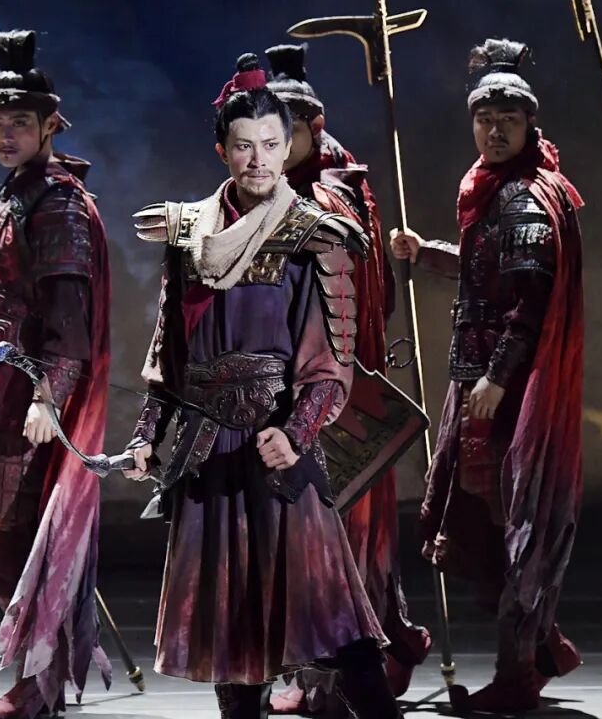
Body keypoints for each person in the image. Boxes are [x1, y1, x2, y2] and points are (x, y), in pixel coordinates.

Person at [124, 52, 400, 719]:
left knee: (334, 617)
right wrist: (146, 435)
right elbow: (170, 351)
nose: (258, 160)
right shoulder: (189, 233)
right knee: (230, 634)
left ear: (288, 146)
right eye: (244, 146)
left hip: (277, 448)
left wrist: (297, 432)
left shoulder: (313, 236)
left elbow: (329, 363)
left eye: (271, 145)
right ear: (223, 150)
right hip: (206, 453)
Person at [390, 38, 584, 713]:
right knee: (482, 525)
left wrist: (498, 377)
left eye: (507, 119)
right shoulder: (493, 191)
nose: (494, 130)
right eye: (484, 118)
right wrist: (427, 253)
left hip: (505, 396)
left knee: (510, 529)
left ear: (530, 124)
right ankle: (542, 652)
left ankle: (519, 673)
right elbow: (484, 275)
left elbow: (529, 303)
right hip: (478, 385)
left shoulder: (525, 197)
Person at [0, 29, 111, 718]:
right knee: (1, 541)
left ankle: (40, 687)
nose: (7, 136)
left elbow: (68, 314)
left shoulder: (58, 203)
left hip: (29, 402)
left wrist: (49, 398)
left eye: (21, 124)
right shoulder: (22, 194)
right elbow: (15, 278)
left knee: (26, 545)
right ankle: (37, 682)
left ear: (49, 126)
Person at [263, 42, 429, 715]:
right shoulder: (299, 185)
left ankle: (347, 673)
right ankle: (326, 670)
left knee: (336, 531)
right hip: (296, 388)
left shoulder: (328, 197)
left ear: (314, 126)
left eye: (287, 132)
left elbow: (351, 303)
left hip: (330, 389)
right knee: (305, 533)